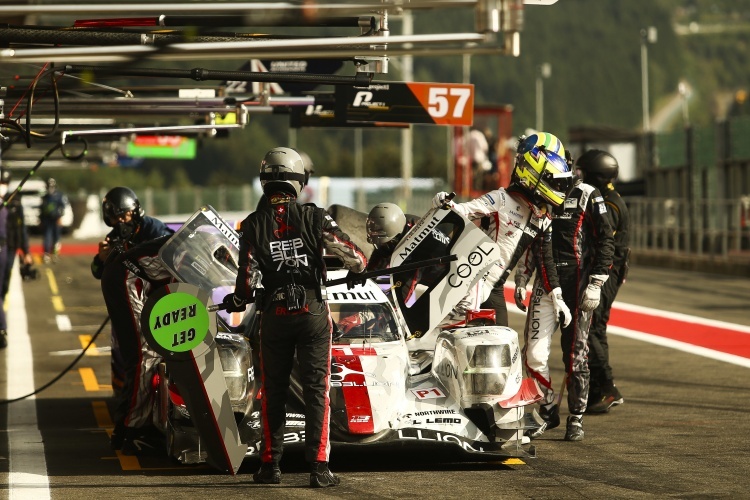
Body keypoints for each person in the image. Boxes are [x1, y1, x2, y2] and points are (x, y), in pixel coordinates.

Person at [221, 147, 367, 488]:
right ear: (298, 179)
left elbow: (245, 282)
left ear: (264, 181)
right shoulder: (315, 217)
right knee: (318, 390)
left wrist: (239, 299)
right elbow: (356, 257)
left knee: (272, 390)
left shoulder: (253, 224)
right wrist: (352, 266)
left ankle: (269, 466)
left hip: (274, 316)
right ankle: (319, 467)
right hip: (313, 314)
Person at [432, 132, 574, 330]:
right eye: (555, 182)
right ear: (535, 171)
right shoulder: (501, 199)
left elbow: (545, 259)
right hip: (469, 280)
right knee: (449, 337)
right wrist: (444, 202)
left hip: (494, 287)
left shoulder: (543, 218)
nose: (559, 189)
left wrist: (557, 297)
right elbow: (463, 210)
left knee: (504, 345)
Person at [515, 170, 615, 442]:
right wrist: (522, 278)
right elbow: (532, 239)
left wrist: (596, 282)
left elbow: (607, 238)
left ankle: (576, 417)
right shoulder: (538, 194)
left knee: (576, 357)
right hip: (545, 284)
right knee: (533, 354)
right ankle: (547, 410)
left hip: (579, 286)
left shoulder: (587, 193)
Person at [93, 187, 175, 455]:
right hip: (131, 296)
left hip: (151, 298)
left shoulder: (152, 228)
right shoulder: (113, 237)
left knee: (144, 358)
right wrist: (104, 257)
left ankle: (136, 425)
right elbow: (97, 269)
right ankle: (130, 430)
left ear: (136, 210)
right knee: (142, 357)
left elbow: (174, 253)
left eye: (126, 215)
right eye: (116, 218)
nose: (122, 221)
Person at [575, 150, 630, 414]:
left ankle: (607, 388)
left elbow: (600, 241)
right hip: (613, 271)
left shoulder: (607, 204)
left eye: (582, 172)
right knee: (598, 328)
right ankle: (599, 389)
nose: (578, 177)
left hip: (606, 272)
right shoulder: (610, 198)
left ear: (594, 175)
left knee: (593, 328)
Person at [2, 170, 34, 302]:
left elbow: (21, 228)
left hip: (9, 246)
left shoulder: (14, 202)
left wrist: (26, 251)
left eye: (5, 183)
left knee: (5, 280)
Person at [365, 202, 414, 272]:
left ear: (396, 237)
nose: (381, 245)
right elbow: (373, 268)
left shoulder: (420, 236)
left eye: (384, 243)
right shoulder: (386, 245)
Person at [40, 177, 67, 263]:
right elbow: (42, 209)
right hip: (47, 220)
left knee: (56, 238)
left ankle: (55, 254)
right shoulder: (45, 197)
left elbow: (63, 207)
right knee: (47, 237)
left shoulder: (59, 196)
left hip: (56, 219)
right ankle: (47, 254)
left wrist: (60, 217)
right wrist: (41, 220)